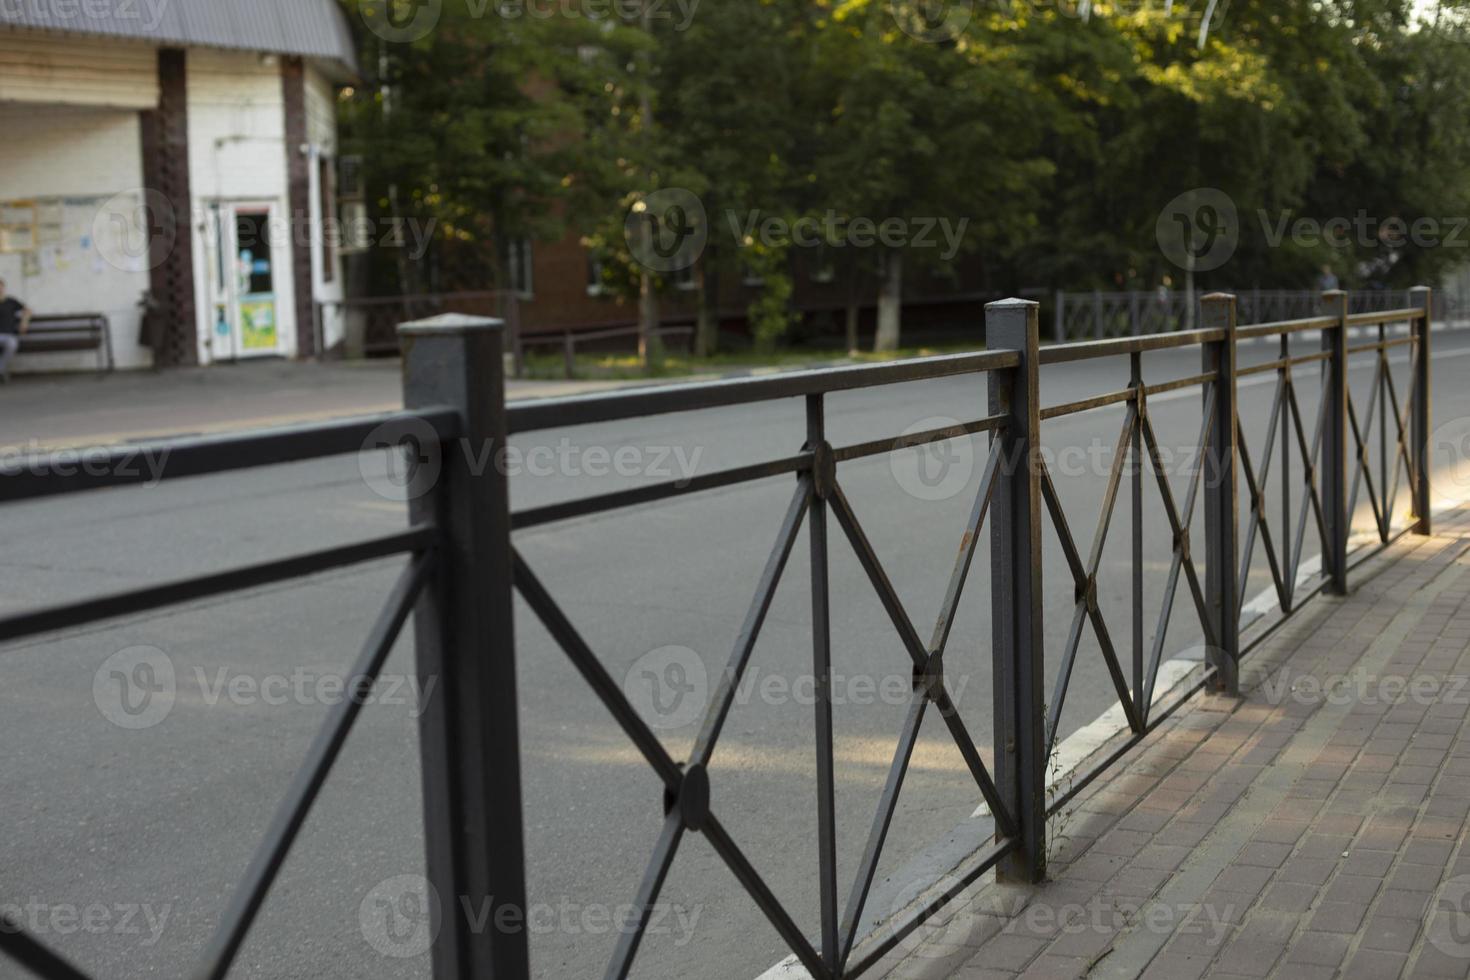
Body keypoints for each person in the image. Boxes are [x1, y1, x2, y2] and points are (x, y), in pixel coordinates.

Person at [0, 278, 30, 382]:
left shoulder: (11, 302)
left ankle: (0, 369)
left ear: (3, 288)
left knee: (12, 344)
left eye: (0, 287)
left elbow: (27, 310)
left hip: (8, 335)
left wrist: (24, 322)